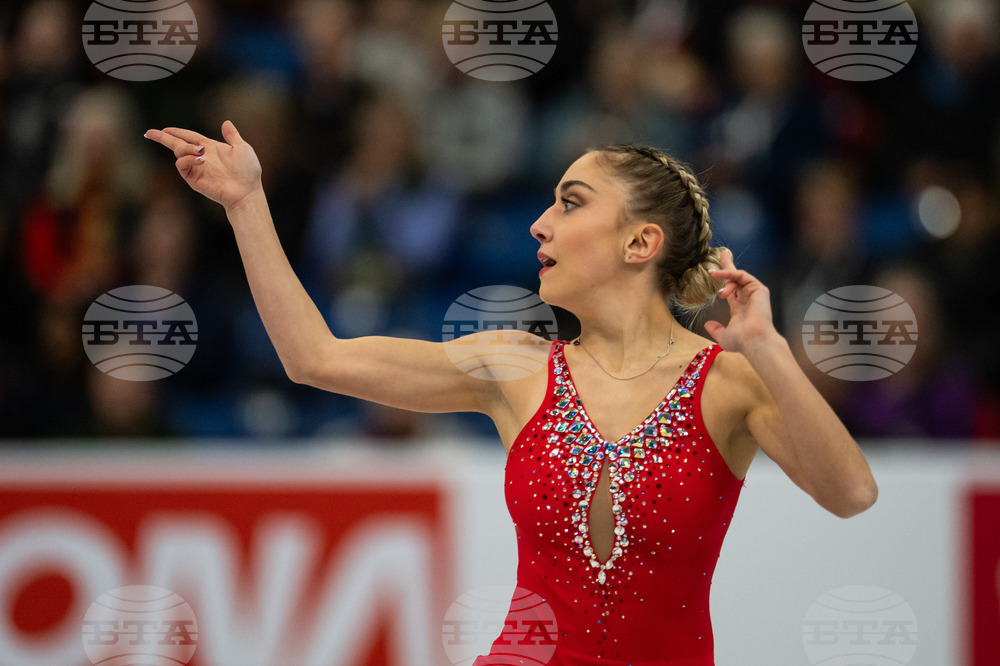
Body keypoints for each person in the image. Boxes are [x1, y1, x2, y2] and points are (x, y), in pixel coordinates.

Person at [144, 122, 878, 665]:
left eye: (571, 202)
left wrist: (769, 351)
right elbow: (315, 358)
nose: (539, 221)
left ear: (639, 243)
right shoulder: (514, 367)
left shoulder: (727, 383)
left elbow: (850, 493)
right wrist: (246, 203)